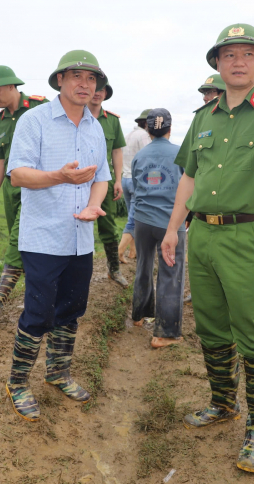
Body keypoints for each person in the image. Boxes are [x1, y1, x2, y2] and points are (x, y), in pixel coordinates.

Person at [161, 23, 254, 473]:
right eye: (230, 55)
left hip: (249, 237)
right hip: (203, 234)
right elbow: (189, 177)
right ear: (217, 64)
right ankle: (223, 403)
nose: (239, 61)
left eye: (248, 54)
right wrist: (174, 230)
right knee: (210, 326)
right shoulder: (202, 118)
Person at [4, 50, 111, 422]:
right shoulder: (35, 121)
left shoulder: (95, 126)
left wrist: (94, 205)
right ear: (60, 81)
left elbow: (102, 178)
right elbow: (18, 174)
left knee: (71, 308)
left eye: (92, 79)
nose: (85, 85)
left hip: (81, 236)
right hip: (44, 236)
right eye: (77, 77)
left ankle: (58, 372)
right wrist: (59, 177)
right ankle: (17, 382)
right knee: (38, 311)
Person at [0, 65, 48, 323]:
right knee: (24, 243)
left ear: (11, 86)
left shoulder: (41, 108)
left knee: (17, 241)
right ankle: (37, 294)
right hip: (11, 189)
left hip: (38, 186)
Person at [130, 108, 185, 349]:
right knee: (171, 273)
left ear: (148, 130)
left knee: (143, 265)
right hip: (170, 223)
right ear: (170, 130)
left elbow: (135, 185)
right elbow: (189, 187)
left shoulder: (140, 156)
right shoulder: (180, 154)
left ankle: (140, 315)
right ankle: (165, 332)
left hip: (142, 221)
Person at [87, 83, 128, 286]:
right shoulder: (76, 115)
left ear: (105, 94)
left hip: (104, 180)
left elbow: (117, 151)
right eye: (95, 88)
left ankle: (114, 268)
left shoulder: (111, 121)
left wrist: (118, 179)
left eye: (102, 90)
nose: (97, 93)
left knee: (108, 224)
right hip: (77, 179)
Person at [119, 108, 152, 263]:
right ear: (146, 123)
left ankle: (133, 251)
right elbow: (149, 156)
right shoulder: (144, 136)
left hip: (125, 179)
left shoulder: (129, 135)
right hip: (137, 181)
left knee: (132, 218)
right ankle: (119, 252)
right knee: (133, 220)